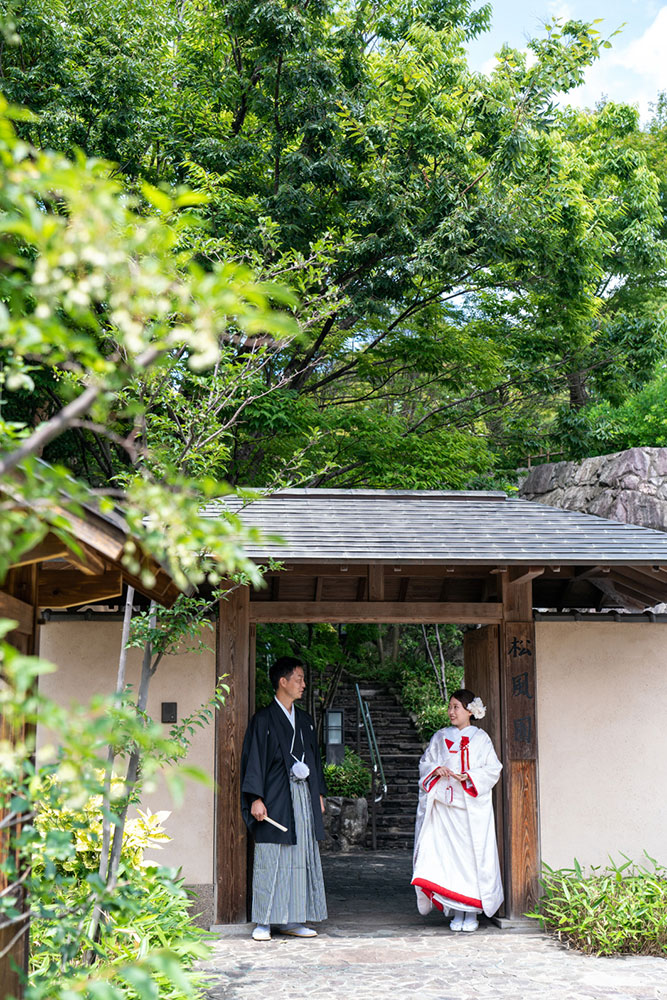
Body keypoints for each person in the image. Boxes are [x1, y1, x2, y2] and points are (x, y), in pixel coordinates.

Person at [240, 655, 328, 941]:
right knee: (271, 855)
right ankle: (264, 921)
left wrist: (318, 794)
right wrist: (255, 797)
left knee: (300, 854)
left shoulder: (303, 720)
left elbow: (314, 759)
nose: (303, 684)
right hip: (275, 796)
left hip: (302, 794)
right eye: (299, 679)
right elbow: (253, 759)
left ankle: (294, 918)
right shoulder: (263, 719)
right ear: (283, 681)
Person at [411, 688, 503, 932]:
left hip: (471, 811)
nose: (451, 712)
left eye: (456, 707)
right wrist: (436, 770)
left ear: (469, 711)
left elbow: (493, 769)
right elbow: (425, 764)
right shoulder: (440, 737)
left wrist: (469, 776)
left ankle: (470, 912)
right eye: (450, 706)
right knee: (448, 861)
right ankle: (455, 910)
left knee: (472, 859)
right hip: (445, 809)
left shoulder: (481, 739)